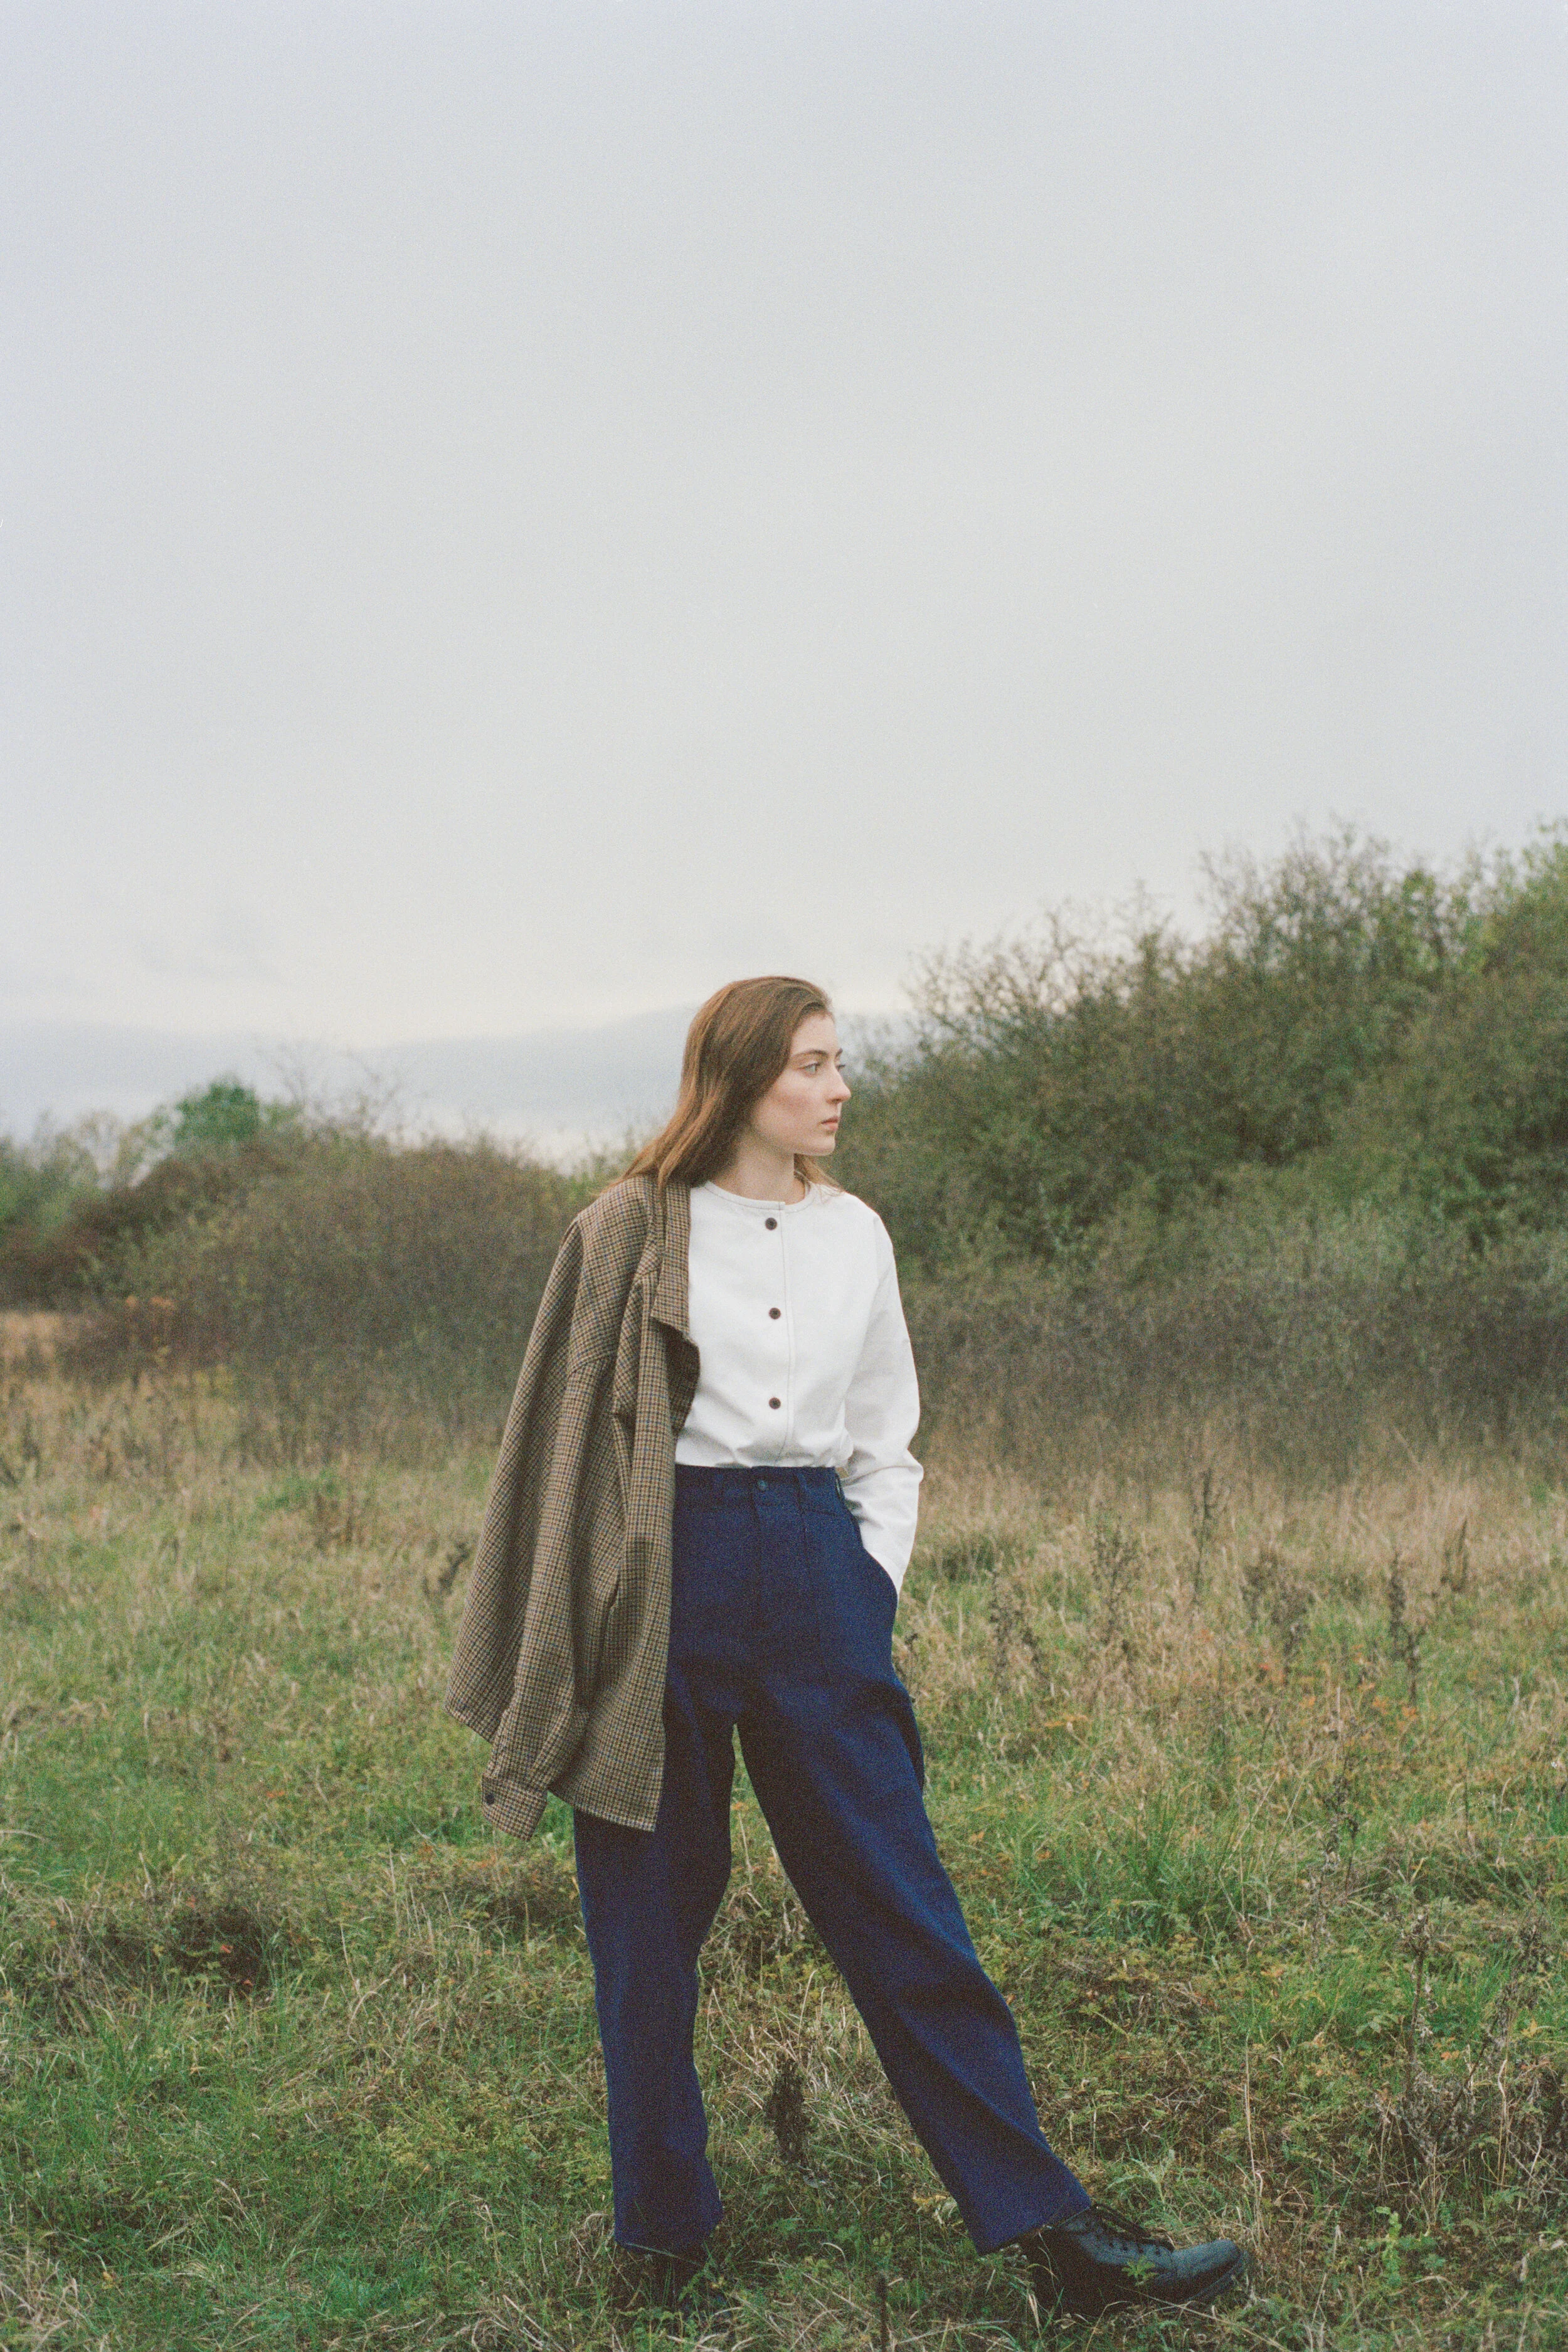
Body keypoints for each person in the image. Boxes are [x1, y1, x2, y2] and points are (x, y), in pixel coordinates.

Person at [445, 975, 1246, 2324]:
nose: (838, 1086)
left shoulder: (857, 1233)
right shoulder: (629, 1227)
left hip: (815, 1567)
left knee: (903, 1909)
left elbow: (887, 1437)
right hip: (662, 1585)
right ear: (743, 1078)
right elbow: (563, 1439)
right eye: (812, 1064)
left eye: (838, 1062)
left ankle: (1053, 2241)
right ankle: (662, 2237)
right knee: (646, 1928)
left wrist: (860, 1584)